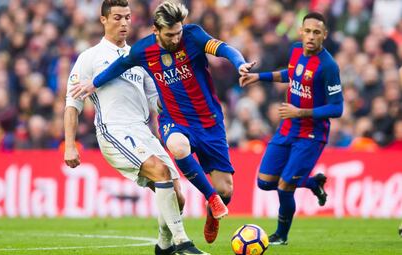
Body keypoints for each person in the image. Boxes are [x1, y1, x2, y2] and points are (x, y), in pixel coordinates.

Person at [70, 1, 255, 244]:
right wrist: (93, 83)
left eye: (179, 32)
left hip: (209, 121)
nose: (176, 38)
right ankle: (210, 198)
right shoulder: (143, 50)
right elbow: (117, 68)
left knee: (227, 190)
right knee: (178, 148)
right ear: (156, 30)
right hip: (174, 120)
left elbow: (225, 49)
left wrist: (239, 63)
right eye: (170, 34)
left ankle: (214, 207)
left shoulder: (194, 35)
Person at [64, 1, 208, 254]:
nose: (124, 23)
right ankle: (182, 243)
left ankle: (163, 245)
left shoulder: (140, 57)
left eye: (128, 17)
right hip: (114, 130)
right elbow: (72, 105)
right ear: (103, 20)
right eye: (117, 17)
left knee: (178, 196)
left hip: (143, 131)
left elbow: (156, 101)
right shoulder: (89, 58)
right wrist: (69, 145)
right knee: (161, 171)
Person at [240, 12, 343, 245]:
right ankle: (312, 182)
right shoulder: (296, 50)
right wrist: (259, 77)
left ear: (324, 35)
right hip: (287, 128)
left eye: (317, 32)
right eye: (307, 31)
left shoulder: (329, 66)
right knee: (265, 182)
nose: (311, 37)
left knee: (285, 186)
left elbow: (337, 108)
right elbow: (291, 74)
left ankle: (281, 235)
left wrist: (300, 112)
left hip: (311, 135)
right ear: (301, 31)